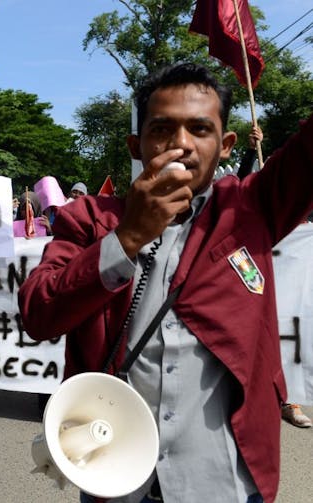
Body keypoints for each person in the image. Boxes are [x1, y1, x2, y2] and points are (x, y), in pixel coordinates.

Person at [19, 63, 313, 502]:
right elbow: (39, 313)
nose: (180, 145)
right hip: (115, 476)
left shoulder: (253, 207)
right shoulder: (90, 219)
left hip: (224, 479)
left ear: (225, 144)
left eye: (199, 129)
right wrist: (128, 237)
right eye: (162, 129)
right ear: (136, 145)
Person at [236, 125, 312, 429]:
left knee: (293, 326)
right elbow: (240, 188)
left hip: (295, 280)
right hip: (260, 274)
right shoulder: (259, 197)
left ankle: (289, 397)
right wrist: (248, 151)